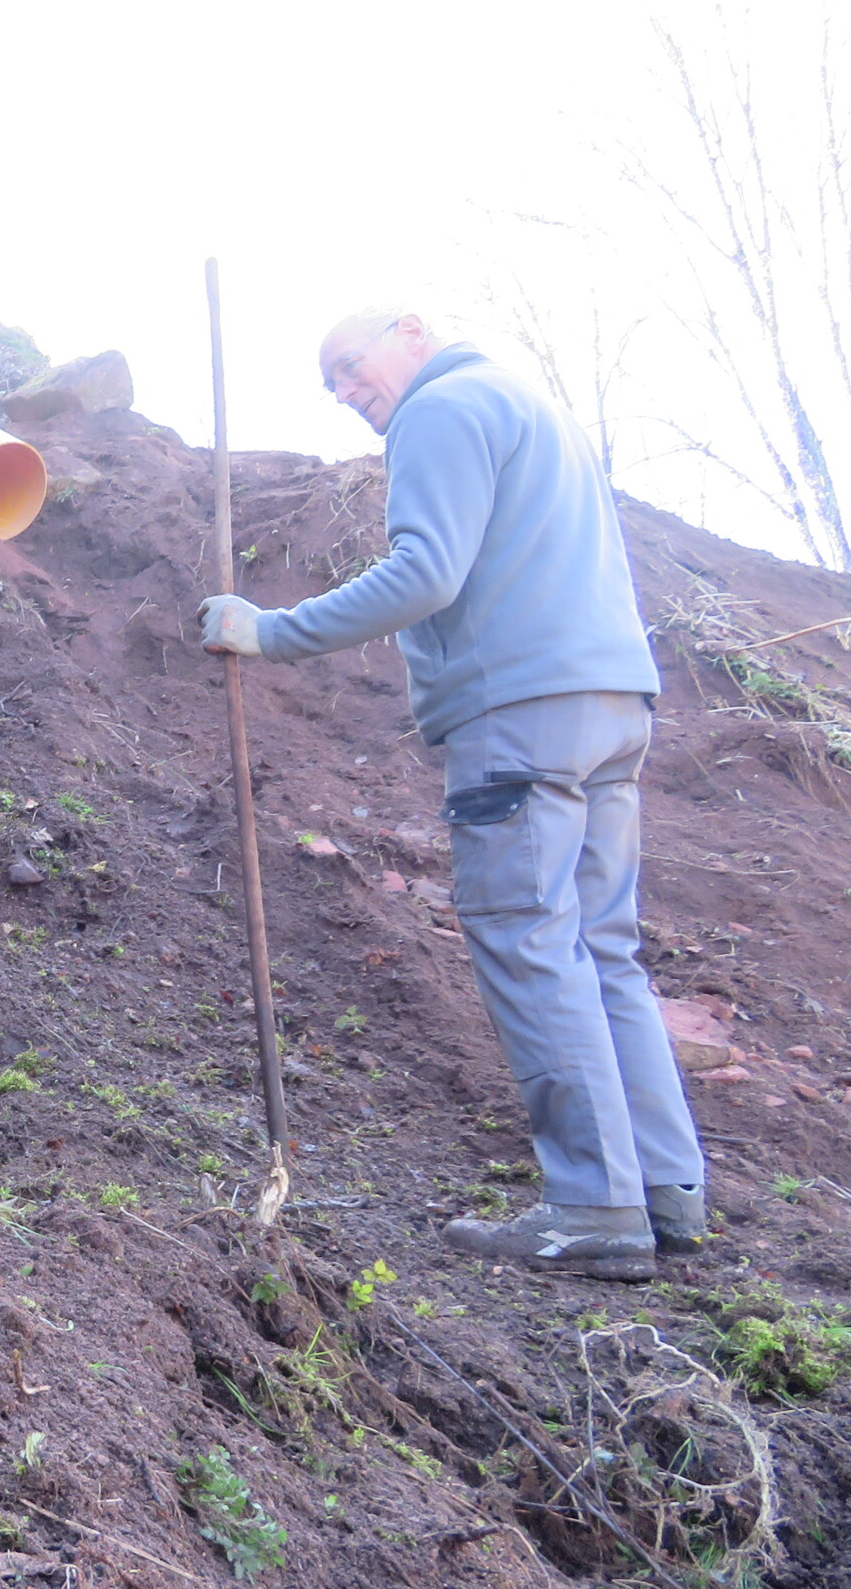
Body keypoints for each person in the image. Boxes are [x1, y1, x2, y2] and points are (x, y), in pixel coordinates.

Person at [196, 308, 704, 1283]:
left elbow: (426, 572)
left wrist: (270, 631)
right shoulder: (534, 410)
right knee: (604, 947)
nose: (348, 393)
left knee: (528, 936)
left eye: (352, 366)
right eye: (332, 386)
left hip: (522, 716)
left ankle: (594, 1207)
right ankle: (666, 1191)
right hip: (610, 705)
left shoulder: (441, 408)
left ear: (413, 331)